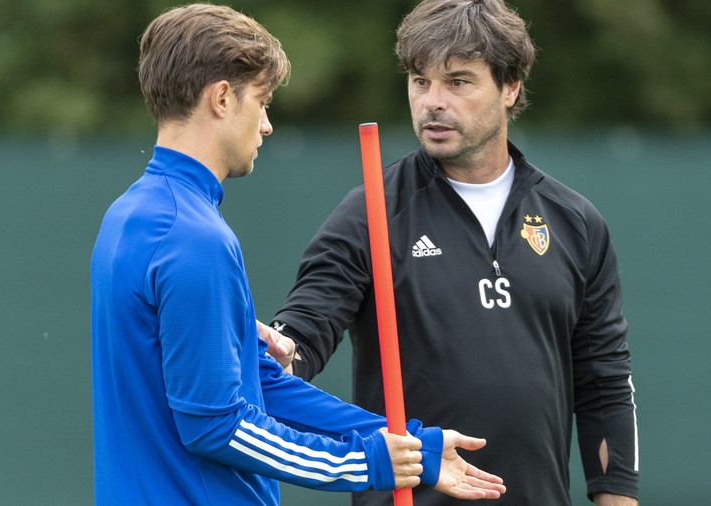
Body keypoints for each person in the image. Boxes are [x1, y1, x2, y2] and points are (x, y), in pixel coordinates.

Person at [90, 3, 508, 504]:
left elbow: (262, 386)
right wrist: (368, 462)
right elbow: (216, 426)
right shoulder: (193, 238)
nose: (266, 125)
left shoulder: (131, 214)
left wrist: (413, 443)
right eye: (262, 101)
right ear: (223, 98)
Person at [264, 0, 639, 504]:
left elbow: (605, 384)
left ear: (510, 88)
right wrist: (284, 350)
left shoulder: (575, 221)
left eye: (458, 82)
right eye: (420, 81)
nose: (432, 102)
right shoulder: (370, 211)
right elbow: (305, 331)